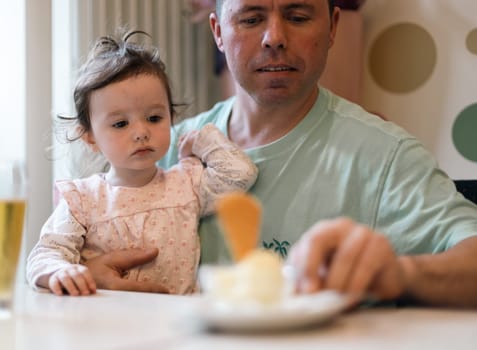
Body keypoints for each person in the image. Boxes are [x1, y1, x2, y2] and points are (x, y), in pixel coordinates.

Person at [84, 0, 477, 308]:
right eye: (251, 19)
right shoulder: (157, 149)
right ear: (218, 32)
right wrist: (88, 276)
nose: (274, 37)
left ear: (333, 28)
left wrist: (399, 274)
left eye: (299, 15)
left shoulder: (387, 156)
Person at [26, 28, 258, 296]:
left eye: (154, 118)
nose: (141, 132)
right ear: (90, 137)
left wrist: (203, 139)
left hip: (177, 322)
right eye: (121, 123)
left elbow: (240, 173)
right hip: (107, 322)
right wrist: (58, 270)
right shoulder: (82, 199)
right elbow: (46, 252)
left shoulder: (186, 184)